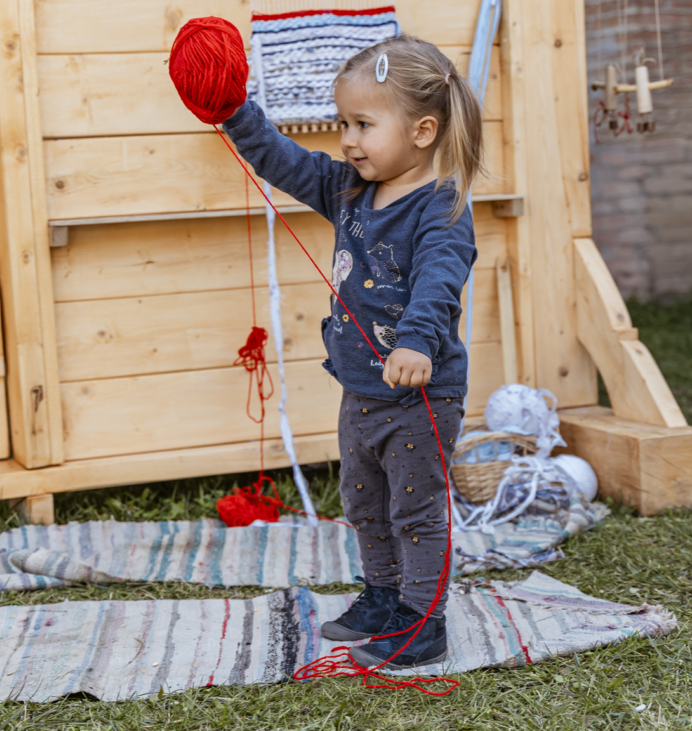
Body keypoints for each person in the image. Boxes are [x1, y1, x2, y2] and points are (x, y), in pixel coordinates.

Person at [222, 34, 482, 669]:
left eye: (364, 124)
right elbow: (281, 158)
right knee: (365, 503)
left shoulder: (442, 208)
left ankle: (423, 622)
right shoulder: (348, 190)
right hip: (360, 390)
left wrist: (416, 342)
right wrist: (234, 111)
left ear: (422, 131)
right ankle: (384, 597)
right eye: (344, 123)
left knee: (415, 511)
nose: (347, 140)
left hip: (421, 396)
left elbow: (439, 282)